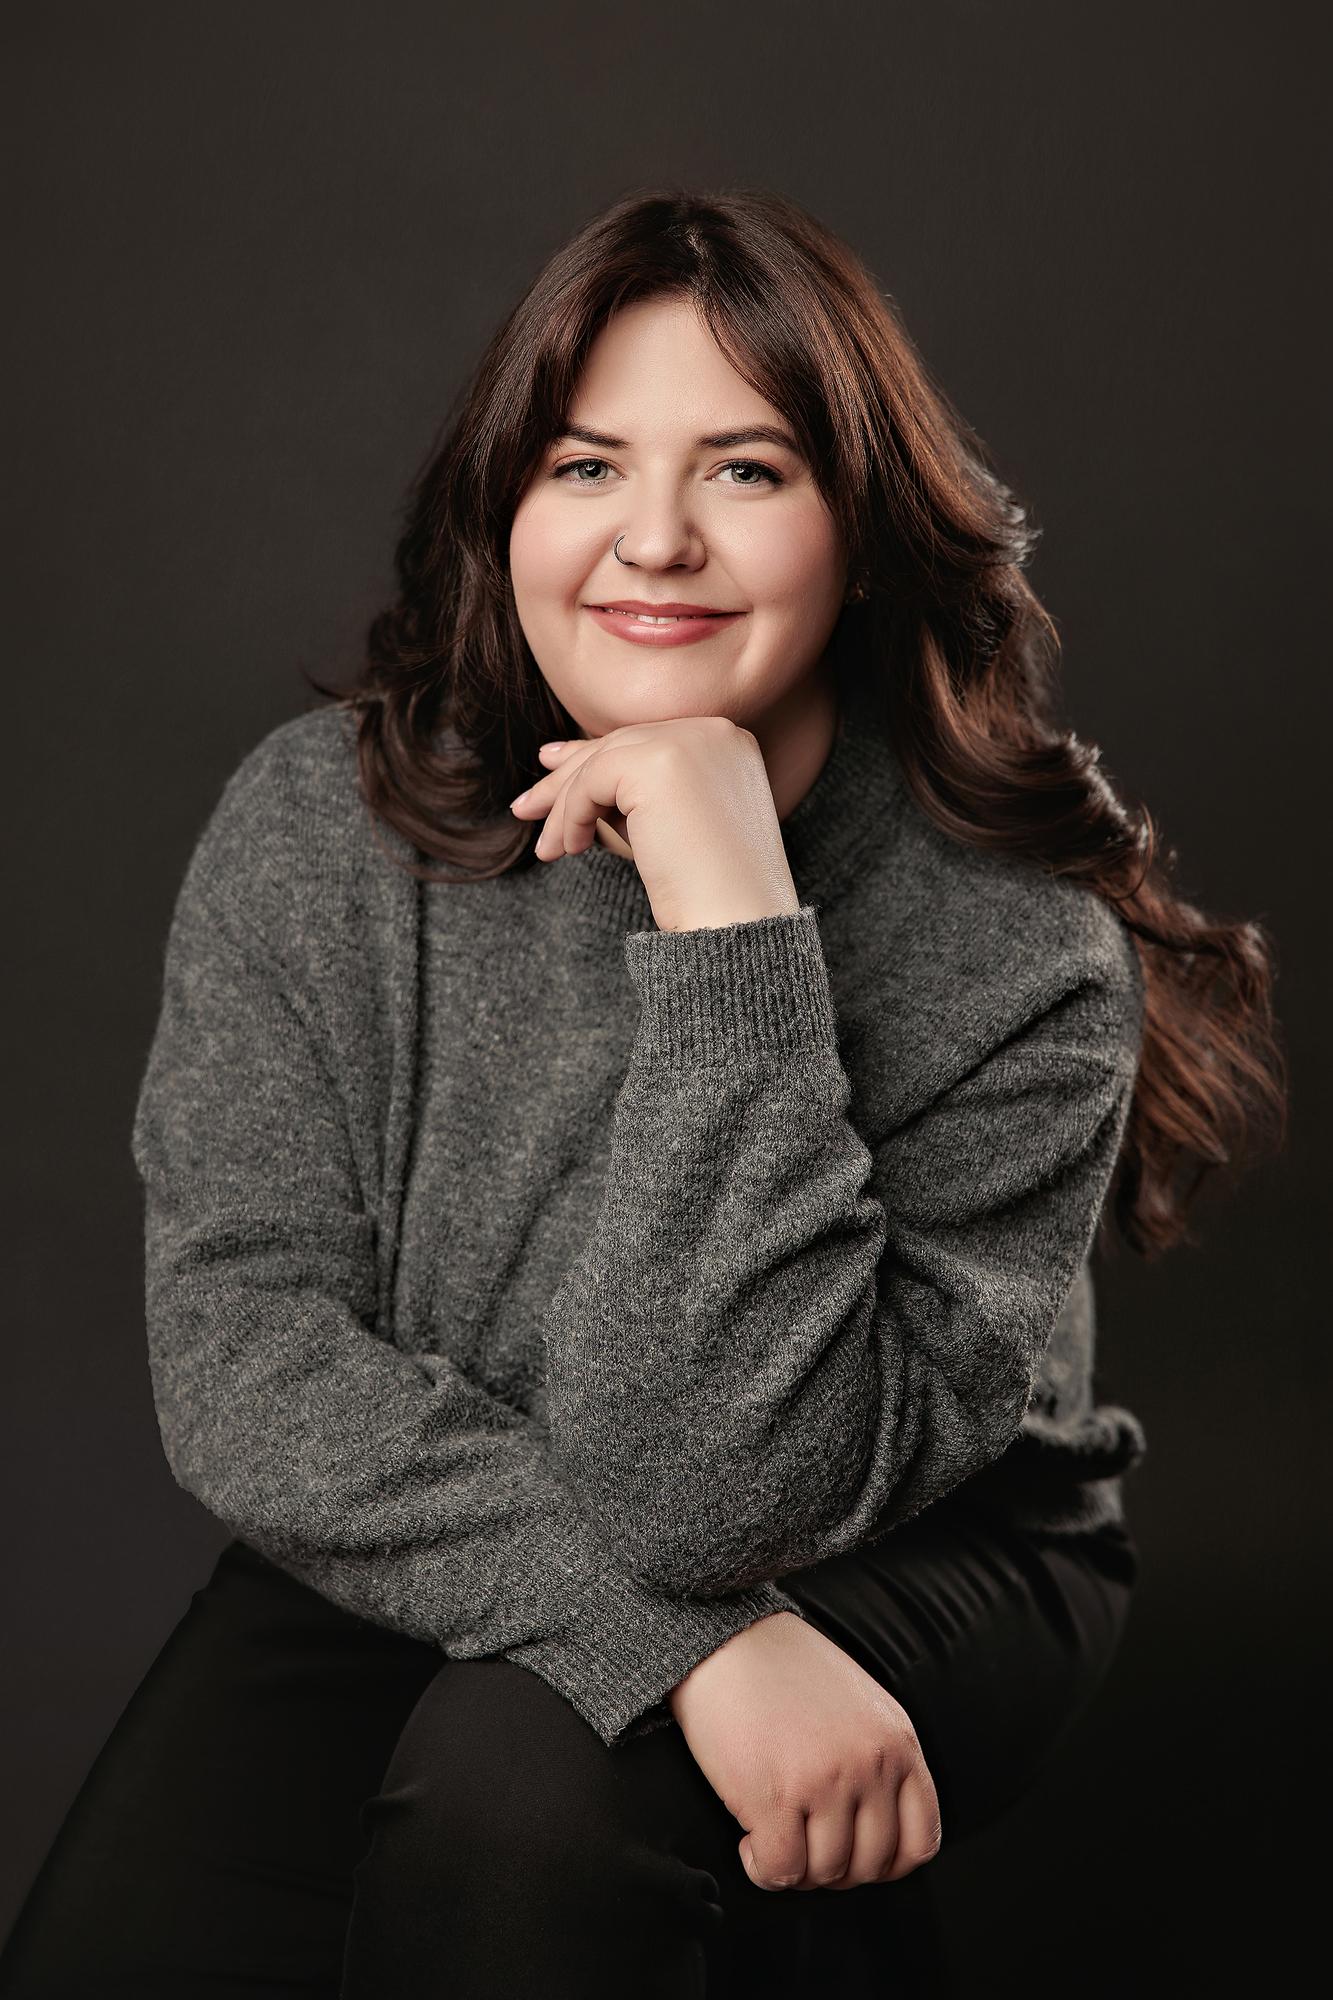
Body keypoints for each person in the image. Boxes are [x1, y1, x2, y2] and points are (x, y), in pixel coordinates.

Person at [0, 186, 1285, 1999]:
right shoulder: (317, 828)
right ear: (505, 509)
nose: (655, 540)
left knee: (524, 1802)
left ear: (861, 530)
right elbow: (244, 1356)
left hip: (905, 1519)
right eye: (586, 465)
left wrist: (732, 914)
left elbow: (717, 1498)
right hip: (448, 1483)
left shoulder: (1014, 949)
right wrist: (682, 1646)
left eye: (746, 471)